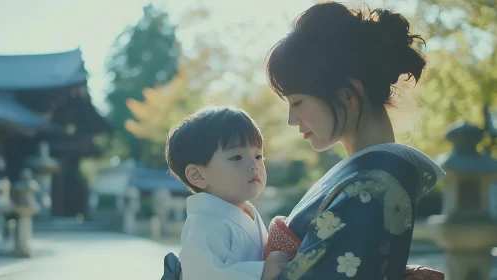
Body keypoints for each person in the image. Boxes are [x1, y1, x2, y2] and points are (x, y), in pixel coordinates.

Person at [262, 1, 445, 279]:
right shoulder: (367, 177)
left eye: (297, 101)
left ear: (347, 95)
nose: (292, 119)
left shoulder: (371, 187)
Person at [163, 106, 289, 280]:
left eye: (258, 156)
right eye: (236, 157)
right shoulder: (204, 223)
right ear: (197, 175)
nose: (254, 165)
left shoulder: (243, 211)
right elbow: (203, 275)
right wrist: (261, 272)